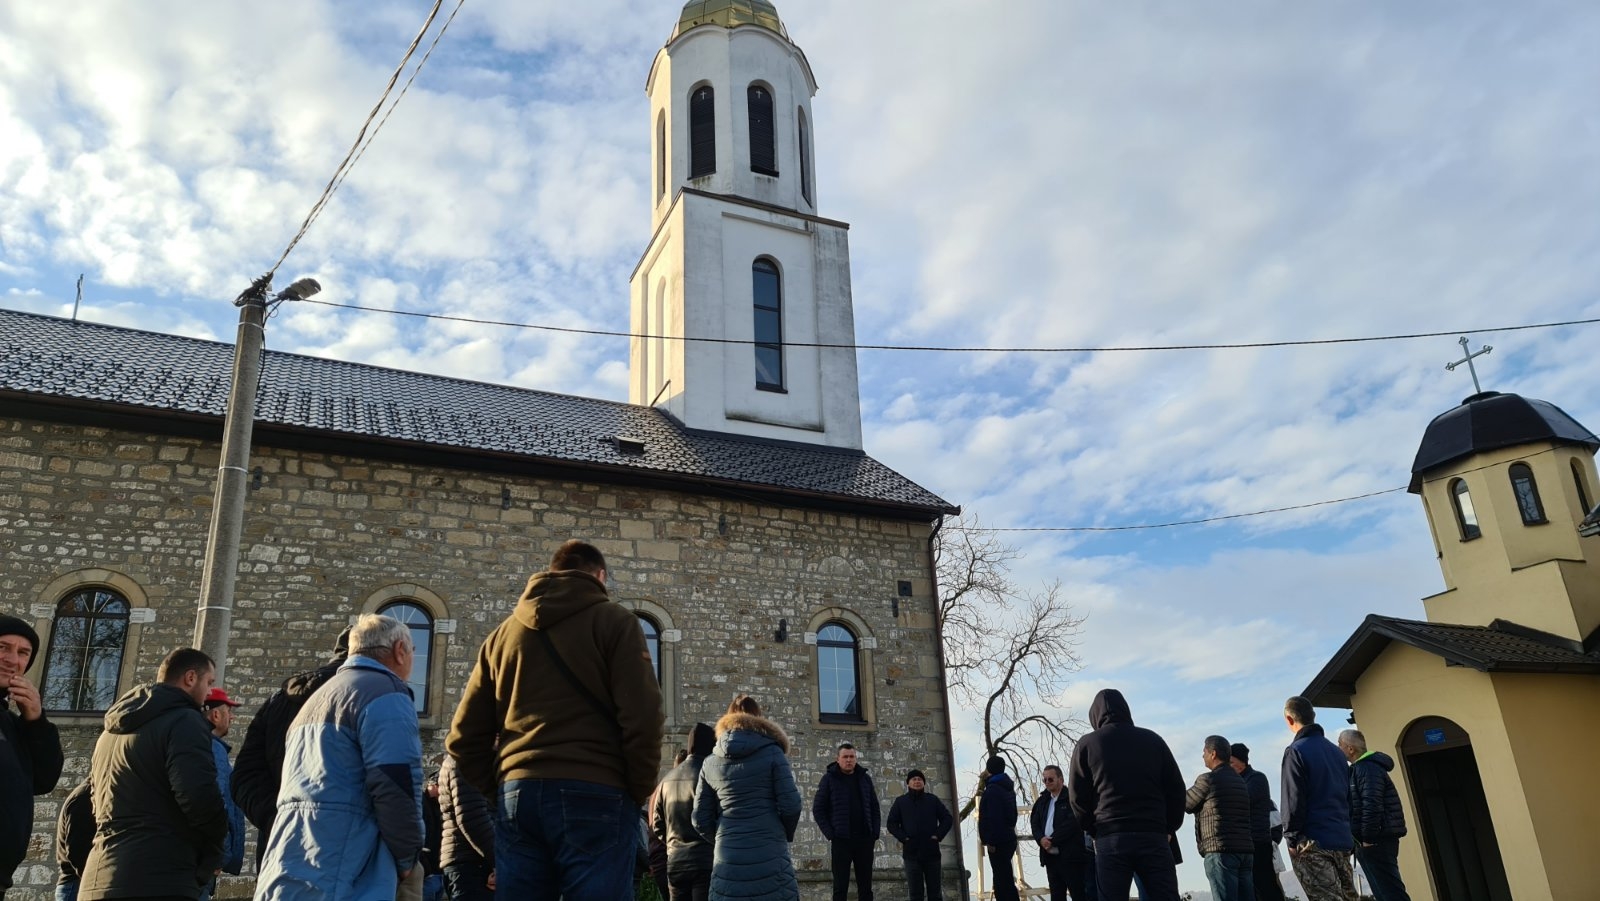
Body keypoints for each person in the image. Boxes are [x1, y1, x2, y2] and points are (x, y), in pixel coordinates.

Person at [447, 539, 664, 901]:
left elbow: (462, 738)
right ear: (601, 576)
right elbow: (644, 717)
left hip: (519, 796)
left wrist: (500, 787)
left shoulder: (501, 637)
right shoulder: (616, 622)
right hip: (596, 789)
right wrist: (637, 788)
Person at [255, 614, 425, 901]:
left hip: (291, 855)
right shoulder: (386, 692)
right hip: (347, 861)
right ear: (399, 651)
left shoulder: (317, 699)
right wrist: (408, 856)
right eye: (412, 652)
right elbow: (395, 784)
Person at [79, 647, 227, 901]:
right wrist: (214, 849)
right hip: (159, 876)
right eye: (208, 683)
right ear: (190, 678)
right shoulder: (184, 721)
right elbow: (197, 796)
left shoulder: (110, 733)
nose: (208, 694)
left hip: (98, 875)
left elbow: (96, 801)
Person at [231, 626, 351, 864]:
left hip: (279, 848)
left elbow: (244, 776)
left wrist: (277, 819)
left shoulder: (278, 701)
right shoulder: (366, 696)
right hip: (342, 852)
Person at [1066, 688, 1185, 901]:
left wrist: (1093, 829)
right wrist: (1169, 827)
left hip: (1111, 835)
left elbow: (1077, 797)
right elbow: (1176, 789)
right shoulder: (1153, 740)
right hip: (1153, 834)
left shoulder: (1087, 744)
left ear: (1095, 715)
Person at [692, 695, 802, 900]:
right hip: (769, 852)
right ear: (759, 718)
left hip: (727, 856)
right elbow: (792, 805)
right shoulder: (773, 753)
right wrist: (780, 833)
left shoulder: (710, 762)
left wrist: (722, 837)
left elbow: (700, 819)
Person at [0, 614, 65, 901]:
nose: (12, 659)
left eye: (22, 652)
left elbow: (43, 779)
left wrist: (36, 721)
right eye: (2, 647)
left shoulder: (12, 724)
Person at [1279, 697, 1356, 901]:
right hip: (1341, 838)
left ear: (1289, 719)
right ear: (1313, 716)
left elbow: (1292, 799)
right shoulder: (1337, 753)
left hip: (1313, 842)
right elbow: (1348, 797)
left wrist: (1292, 838)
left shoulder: (1296, 752)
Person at [1338, 730, 1409, 901]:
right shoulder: (1358, 770)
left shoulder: (1367, 769)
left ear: (1350, 749)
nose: (1337, 748)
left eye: (1339, 744)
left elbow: (1372, 804)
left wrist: (1368, 838)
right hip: (1370, 841)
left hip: (1377, 840)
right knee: (1383, 892)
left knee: (1390, 892)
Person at [1184, 736, 1253, 901]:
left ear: (1213, 754)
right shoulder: (1241, 781)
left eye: (1204, 752)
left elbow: (1186, 803)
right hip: (1245, 850)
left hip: (1220, 851)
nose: (1202, 756)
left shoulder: (1207, 780)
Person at [812, 742, 881, 901]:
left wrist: (874, 833)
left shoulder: (865, 779)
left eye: (852, 757)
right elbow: (818, 809)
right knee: (840, 887)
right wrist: (831, 834)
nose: (849, 760)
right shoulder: (829, 779)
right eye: (845, 757)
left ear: (856, 759)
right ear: (838, 759)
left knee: (866, 888)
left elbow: (875, 808)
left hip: (864, 840)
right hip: (841, 841)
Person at [654, 725, 716, 901]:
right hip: (704, 859)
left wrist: (673, 844)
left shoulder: (666, 780)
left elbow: (657, 824)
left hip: (676, 862)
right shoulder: (709, 776)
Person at [201, 688, 247, 900]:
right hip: (204, 864)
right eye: (229, 711)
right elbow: (218, 804)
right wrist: (218, 855)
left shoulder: (201, 746)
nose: (233, 716)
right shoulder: (214, 750)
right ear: (216, 715)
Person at [1229, 744, 1285, 901]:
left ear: (1242, 762)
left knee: (1266, 888)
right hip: (1244, 845)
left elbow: (1243, 800)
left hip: (1258, 843)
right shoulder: (1240, 780)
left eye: (1232, 763)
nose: (1229, 767)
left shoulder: (1256, 778)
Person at [886, 769, 953, 901]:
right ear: (908, 783)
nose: (917, 781)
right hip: (911, 854)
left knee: (935, 893)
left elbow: (947, 819)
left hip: (931, 853)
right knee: (916, 894)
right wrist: (904, 838)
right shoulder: (901, 802)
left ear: (924, 783)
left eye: (920, 779)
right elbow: (891, 823)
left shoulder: (932, 800)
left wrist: (937, 835)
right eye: (914, 779)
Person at [438, 753, 494, 901]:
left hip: (474, 862)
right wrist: (501, 863)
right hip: (473, 865)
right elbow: (473, 818)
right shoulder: (467, 761)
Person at [1029, 765, 1087, 901]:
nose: (1047, 782)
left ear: (1060, 779)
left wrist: (1052, 840)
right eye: (1045, 780)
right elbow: (1035, 822)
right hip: (1050, 857)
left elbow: (1072, 824)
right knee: (1056, 895)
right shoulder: (1042, 800)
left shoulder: (1072, 798)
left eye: (1050, 779)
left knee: (1078, 894)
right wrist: (1041, 839)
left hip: (1071, 857)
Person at [977, 755, 1020, 901]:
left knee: (1003, 884)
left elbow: (993, 818)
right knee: (1005, 879)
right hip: (1008, 838)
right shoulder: (1007, 788)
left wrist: (991, 842)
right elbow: (1012, 815)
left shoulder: (993, 791)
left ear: (989, 770)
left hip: (998, 843)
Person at [55, 779, 94, 901]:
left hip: (74, 884)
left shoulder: (85, 795)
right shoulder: (84, 798)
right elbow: (77, 850)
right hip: (75, 885)